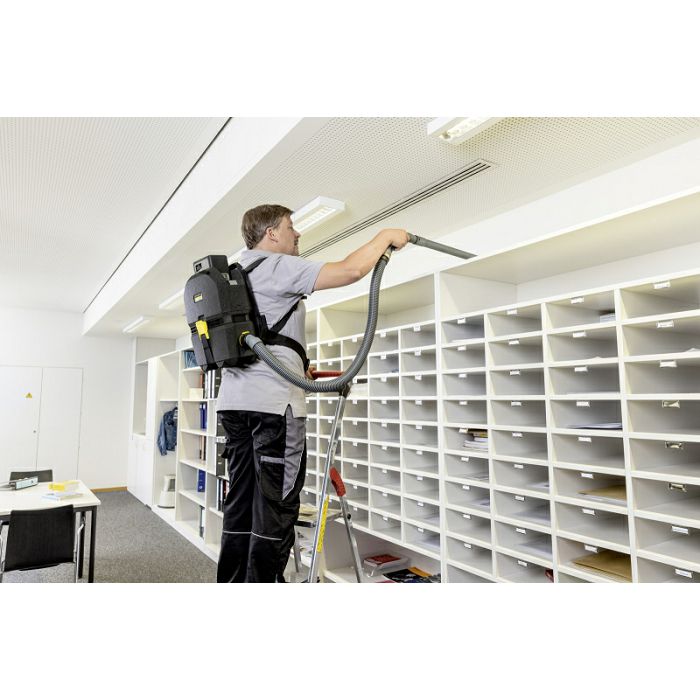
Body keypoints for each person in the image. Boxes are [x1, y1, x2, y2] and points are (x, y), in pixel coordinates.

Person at [216, 203, 408, 582]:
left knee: (241, 503)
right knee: (276, 505)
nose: (297, 233)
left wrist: (297, 366)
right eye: (291, 226)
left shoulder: (236, 275)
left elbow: (263, 334)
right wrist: (386, 236)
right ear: (271, 233)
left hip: (235, 406)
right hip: (274, 407)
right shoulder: (277, 265)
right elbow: (350, 270)